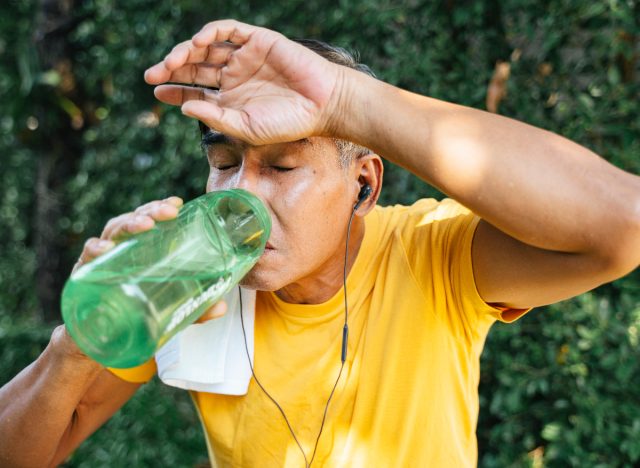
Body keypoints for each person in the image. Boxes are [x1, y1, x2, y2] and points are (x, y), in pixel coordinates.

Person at [1, 19, 639, 467]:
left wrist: (346, 101)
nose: (240, 196)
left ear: (364, 183)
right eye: (224, 163)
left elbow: (623, 226)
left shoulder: (429, 254)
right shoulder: (185, 277)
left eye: (281, 169)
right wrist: (77, 347)